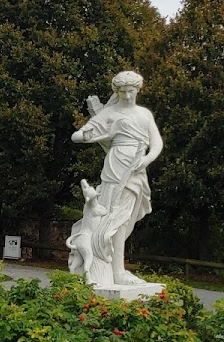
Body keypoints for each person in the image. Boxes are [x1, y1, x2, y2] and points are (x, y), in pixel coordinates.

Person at [69, 71, 163, 287]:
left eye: (131, 91)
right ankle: (117, 272)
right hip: (117, 166)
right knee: (117, 217)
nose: (128, 96)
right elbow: (78, 135)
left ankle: (114, 268)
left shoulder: (144, 114)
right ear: (117, 92)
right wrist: (86, 135)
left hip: (138, 168)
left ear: (137, 90)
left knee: (127, 219)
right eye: (123, 92)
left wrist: (147, 159)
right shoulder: (110, 113)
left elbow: (156, 143)